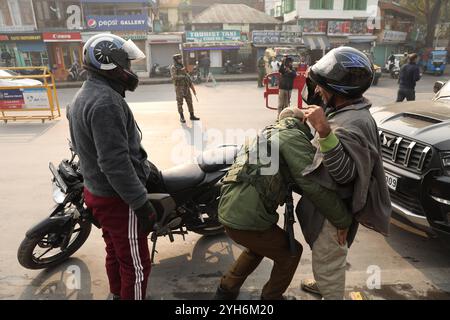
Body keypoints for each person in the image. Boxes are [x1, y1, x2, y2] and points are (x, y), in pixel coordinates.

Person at [214, 107, 353, 300]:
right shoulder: (293, 137)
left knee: (257, 248)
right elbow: (314, 185)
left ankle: (226, 290)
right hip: (248, 219)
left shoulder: (263, 135)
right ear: (303, 122)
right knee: (291, 254)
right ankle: (271, 298)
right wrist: (343, 219)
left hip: (228, 212)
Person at [67, 34, 162, 300]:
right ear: (111, 65)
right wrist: (141, 203)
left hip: (97, 191)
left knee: (116, 252)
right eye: (127, 64)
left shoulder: (84, 95)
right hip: (119, 199)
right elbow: (115, 163)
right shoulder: (106, 102)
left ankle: (117, 294)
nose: (130, 71)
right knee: (137, 265)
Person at [298, 46, 391, 300]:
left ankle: (330, 291)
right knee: (328, 258)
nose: (317, 90)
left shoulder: (350, 124)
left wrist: (325, 133)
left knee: (329, 260)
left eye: (322, 86)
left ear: (339, 91)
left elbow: (345, 174)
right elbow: (316, 100)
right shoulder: (352, 109)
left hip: (333, 212)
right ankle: (326, 283)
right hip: (337, 208)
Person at [170, 53, 200, 123]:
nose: (180, 60)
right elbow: (174, 77)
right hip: (179, 87)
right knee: (180, 103)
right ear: (176, 60)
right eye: (179, 59)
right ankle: (182, 117)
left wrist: (190, 84)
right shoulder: (173, 67)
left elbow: (187, 75)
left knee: (190, 102)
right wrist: (183, 76)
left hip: (186, 86)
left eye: (181, 58)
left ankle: (192, 115)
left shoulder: (182, 66)